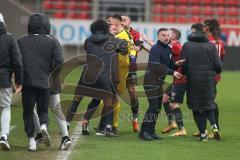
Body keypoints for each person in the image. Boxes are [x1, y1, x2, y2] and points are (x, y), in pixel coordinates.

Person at [66, 19, 128, 137]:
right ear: (106, 29)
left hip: (88, 75)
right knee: (108, 101)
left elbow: (89, 48)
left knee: (77, 99)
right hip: (105, 76)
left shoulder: (88, 40)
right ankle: (109, 128)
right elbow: (124, 49)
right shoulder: (113, 40)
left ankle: (67, 124)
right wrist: (114, 36)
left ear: (93, 29)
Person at [18, 13, 64, 151]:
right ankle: (44, 126)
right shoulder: (52, 41)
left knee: (28, 112)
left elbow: (17, 62)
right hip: (45, 82)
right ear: (47, 25)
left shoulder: (21, 41)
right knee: (43, 110)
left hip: (27, 83)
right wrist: (52, 76)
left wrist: (18, 80)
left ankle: (32, 141)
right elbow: (59, 62)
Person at [139, 28, 182, 141]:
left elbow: (170, 63)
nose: (166, 37)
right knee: (153, 107)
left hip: (159, 82)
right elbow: (156, 66)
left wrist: (176, 64)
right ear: (158, 37)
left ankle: (151, 132)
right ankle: (144, 132)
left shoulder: (168, 49)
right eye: (163, 35)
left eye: (168, 35)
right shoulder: (155, 49)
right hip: (150, 82)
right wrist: (172, 72)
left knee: (157, 108)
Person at [181, 28, 222, 142]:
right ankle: (214, 127)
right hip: (209, 80)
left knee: (196, 107)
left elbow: (184, 64)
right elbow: (218, 65)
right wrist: (216, 73)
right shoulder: (211, 46)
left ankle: (203, 134)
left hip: (193, 79)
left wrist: (183, 72)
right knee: (208, 104)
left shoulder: (187, 46)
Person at [33, 38, 72, 150]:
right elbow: (59, 62)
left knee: (31, 107)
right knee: (57, 109)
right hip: (52, 81)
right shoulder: (53, 40)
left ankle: (39, 133)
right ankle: (65, 137)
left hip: (35, 80)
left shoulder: (29, 40)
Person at [0, 13, 23, 151]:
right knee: (5, 107)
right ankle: (3, 135)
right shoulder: (9, 39)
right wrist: (19, 81)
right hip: (3, 78)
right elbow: (18, 62)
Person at [161, 28, 187, 136]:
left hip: (181, 80)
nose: (167, 35)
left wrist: (146, 40)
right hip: (177, 79)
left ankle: (182, 129)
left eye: (169, 34)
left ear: (174, 36)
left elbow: (161, 49)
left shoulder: (175, 46)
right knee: (165, 98)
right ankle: (172, 123)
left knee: (173, 104)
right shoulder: (176, 45)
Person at [121, 15, 144, 132]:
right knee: (110, 94)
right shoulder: (115, 33)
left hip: (130, 68)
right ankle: (106, 123)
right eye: (120, 20)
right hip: (117, 69)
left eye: (124, 20)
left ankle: (135, 119)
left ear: (130, 22)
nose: (122, 22)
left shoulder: (135, 33)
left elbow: (140, 44)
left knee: (133, 94)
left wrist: (137, 48)